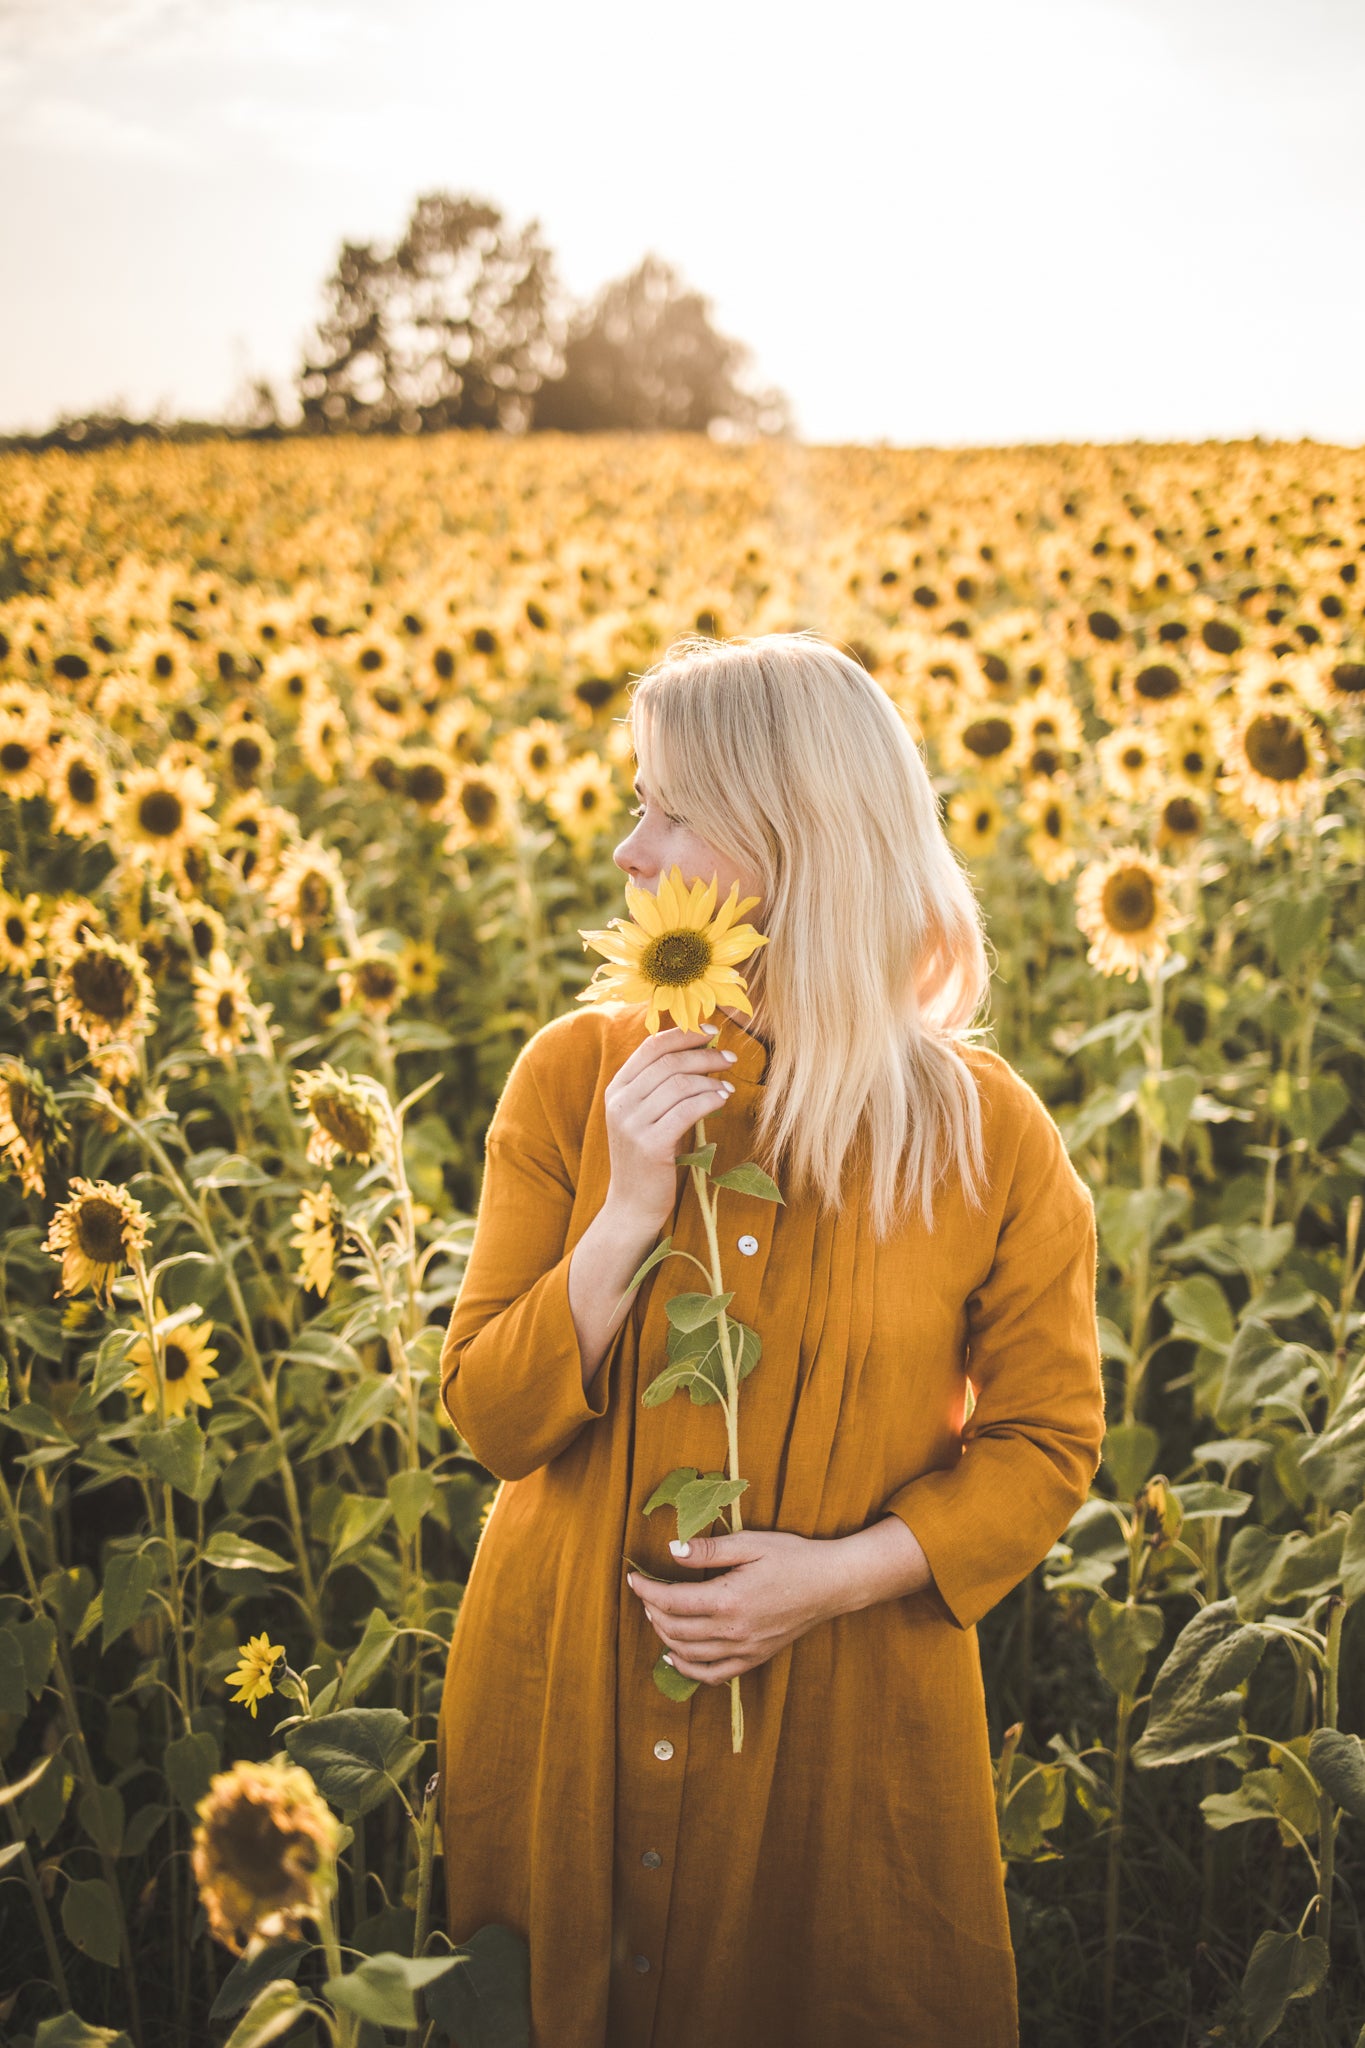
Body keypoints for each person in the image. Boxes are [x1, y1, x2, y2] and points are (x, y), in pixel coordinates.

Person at [436, 631, 1105, 2048]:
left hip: (841, 1718)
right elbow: (491, 1422)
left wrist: (833, 1577)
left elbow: (1045, 1442)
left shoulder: (982, 1136)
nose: (628, 851)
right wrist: (622, 1212)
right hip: (572, 1694)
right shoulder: (576, 1076)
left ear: (793, 841)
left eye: (668, 808)